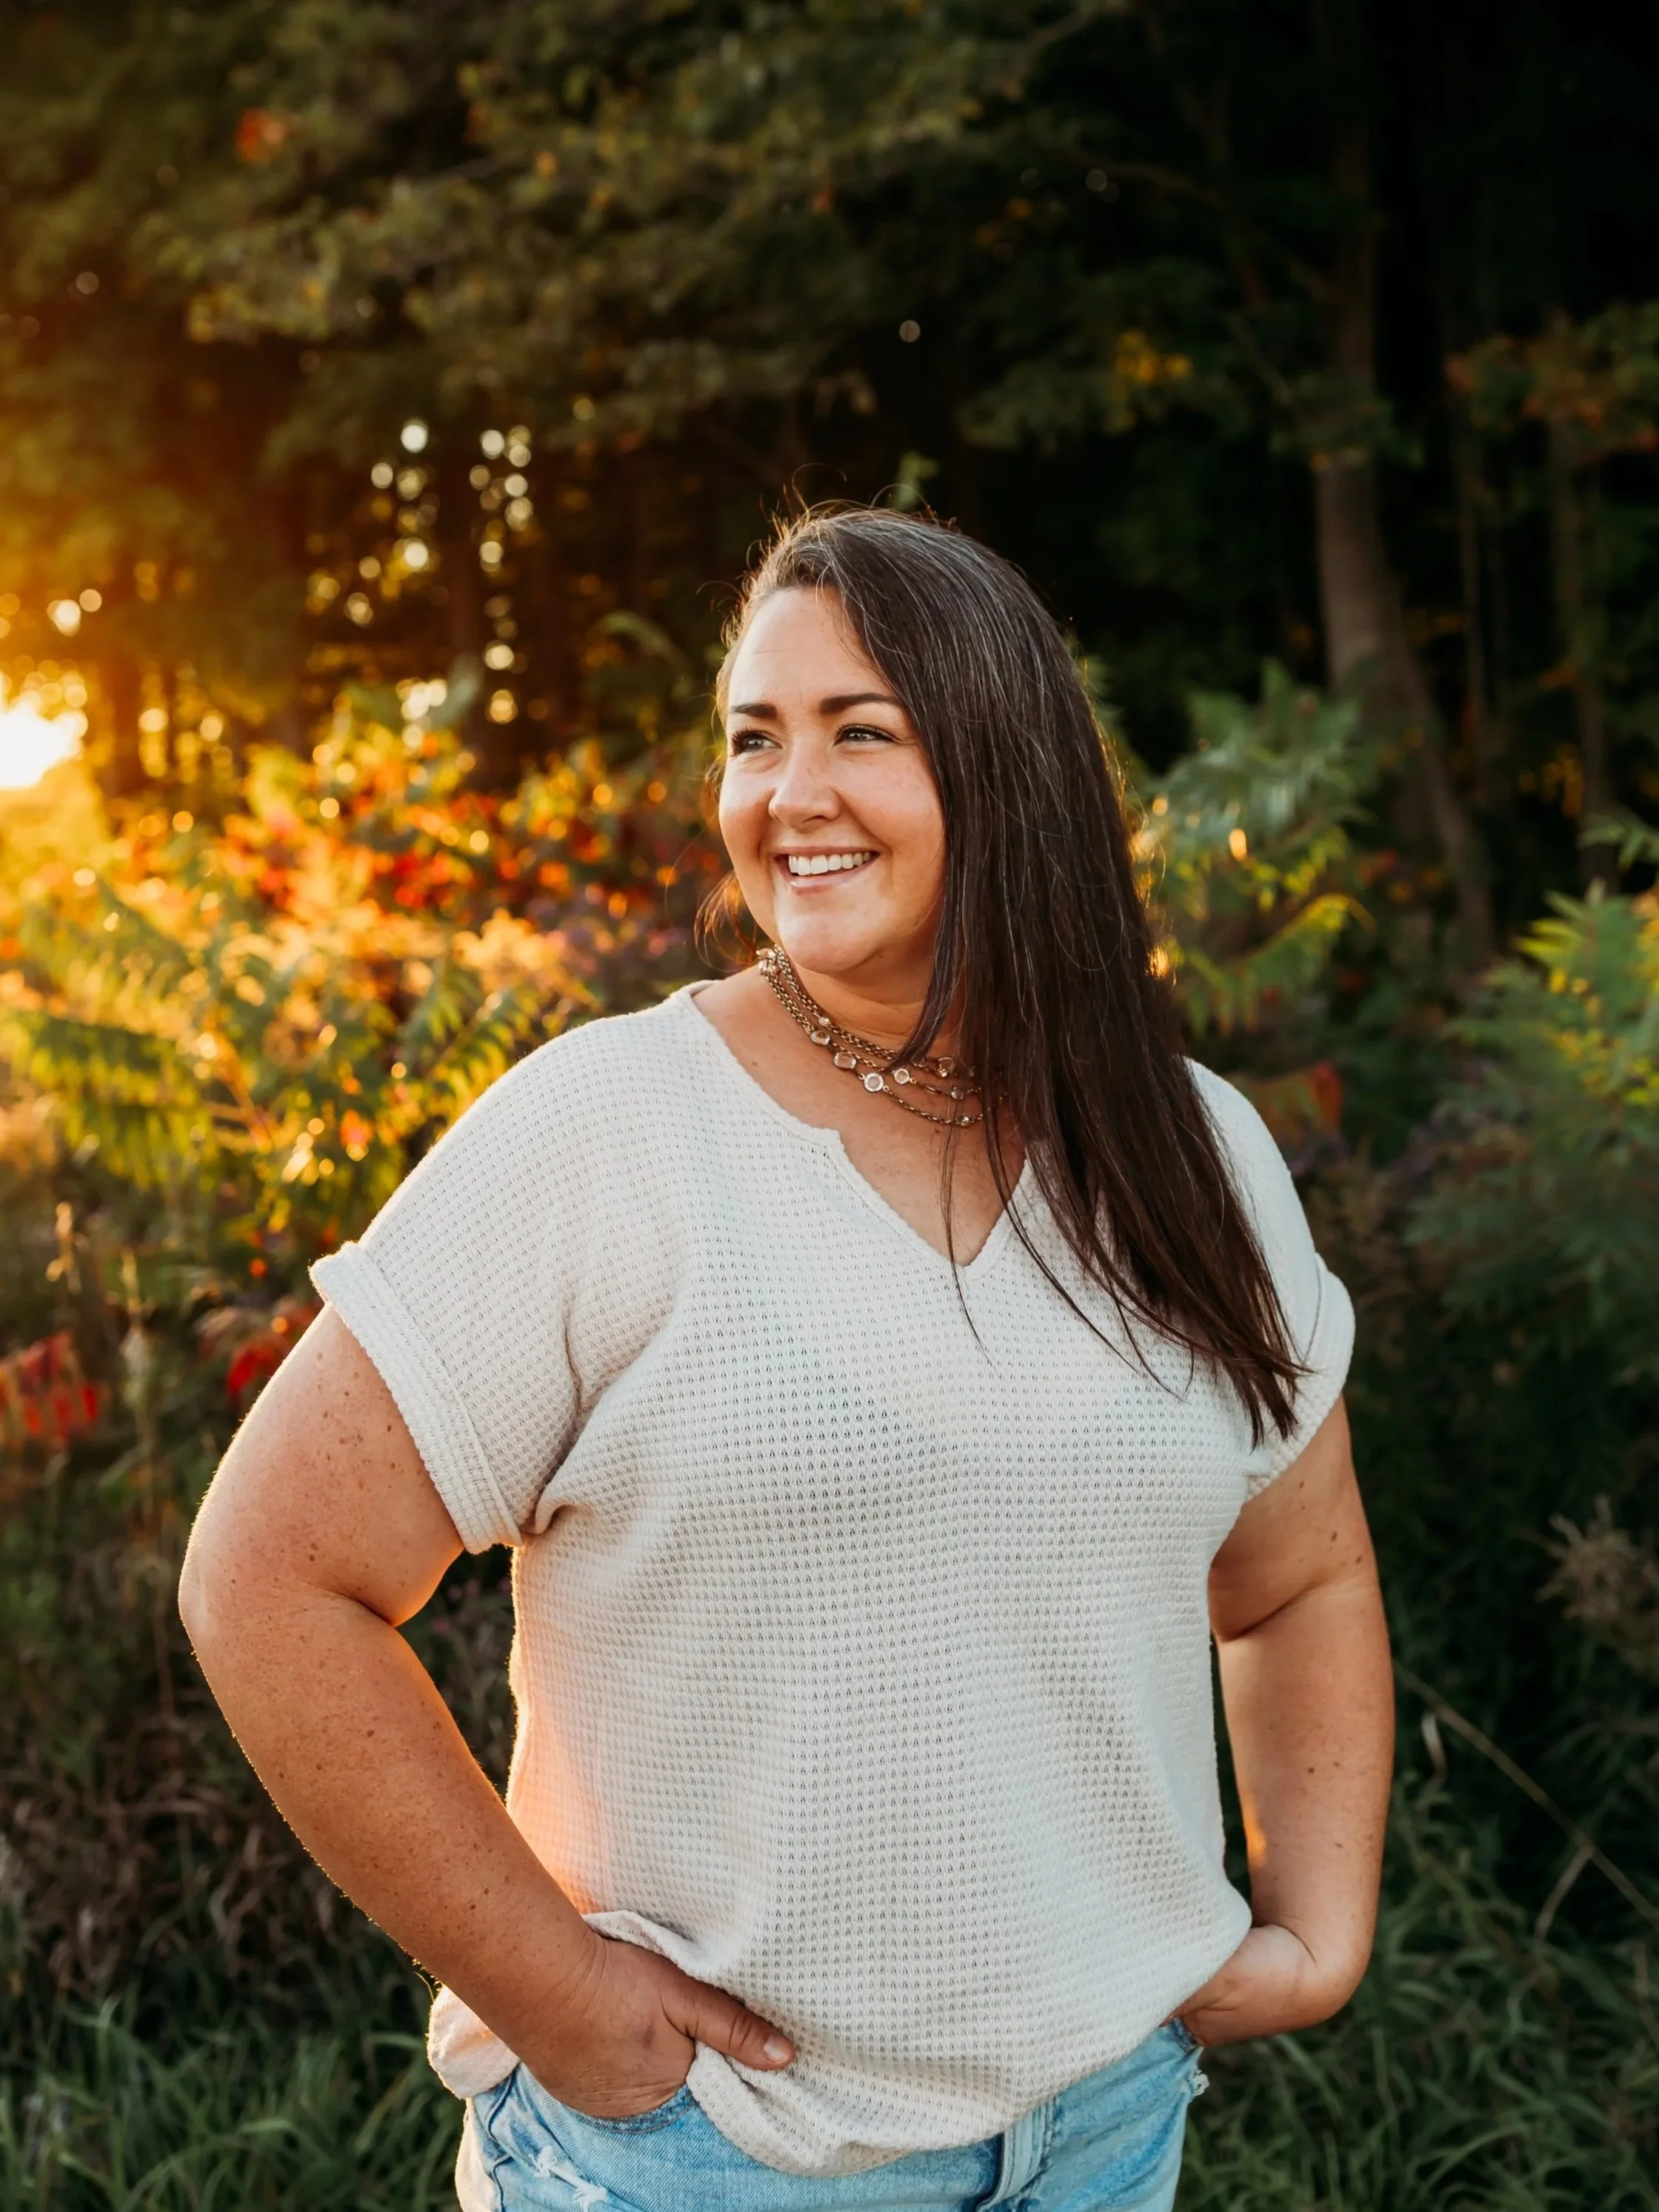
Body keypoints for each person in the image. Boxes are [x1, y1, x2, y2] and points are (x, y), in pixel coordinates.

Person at [179, 506, 1392, 2212]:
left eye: (859, 732)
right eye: (754, 737)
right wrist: (562, 1994)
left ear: (1009, 769)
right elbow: (267, 1578)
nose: (785, 793)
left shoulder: (1188, 1144)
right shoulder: (605, 1132)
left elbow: (1298, 1574)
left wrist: (1317, 1924)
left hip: (1112, 2130)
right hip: (714, 2155)